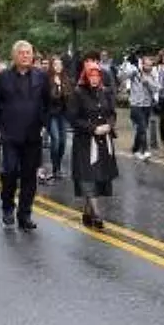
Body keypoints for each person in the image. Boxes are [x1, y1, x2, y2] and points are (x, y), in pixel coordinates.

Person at [0, 40, 51, 230]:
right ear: (14, 56)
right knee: (9, 172)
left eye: (28, 53)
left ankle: (24, 214)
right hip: (10, 134)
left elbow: (48, 103)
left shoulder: (41, 77)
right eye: (22, 53)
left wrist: (45, 124)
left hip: (33, 134)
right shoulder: (2, 77)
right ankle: (7, 207)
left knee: (29, 176)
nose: (26, 56)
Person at [68, 55, 119, 229]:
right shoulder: (77, 93)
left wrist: (109, 125)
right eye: (91, 76)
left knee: (98, 177)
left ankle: (87, 212)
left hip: (104, 141)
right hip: (85, 142)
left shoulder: (105, 92)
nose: (95, 79)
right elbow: (73, 119)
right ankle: (97, 215)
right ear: (85, 76)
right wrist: (92, 129)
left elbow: (112, 112)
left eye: (97, 76)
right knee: (88, 177)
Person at [45, 56, 72, 180]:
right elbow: (50, 97)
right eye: (55, 64)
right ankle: (55, 168)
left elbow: (69, 96)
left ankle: (59, 165)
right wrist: (57, 87)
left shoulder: (65, 79)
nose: (58, 67)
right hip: (51, 115)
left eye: (60, 64)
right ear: (52, 66)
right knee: (55, 140)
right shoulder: (47, 80)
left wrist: (62, 88)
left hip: (62, 114)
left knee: (63, 142)